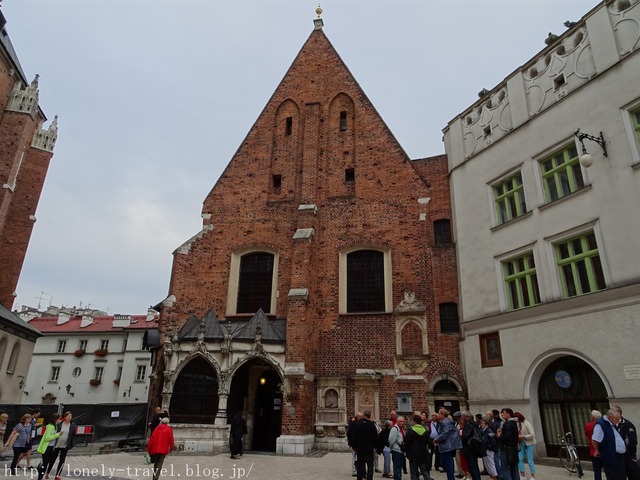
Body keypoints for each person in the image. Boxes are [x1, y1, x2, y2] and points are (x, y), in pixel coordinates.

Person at [592, 409, 626, 480]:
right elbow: (595, 440)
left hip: (619, 457)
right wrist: (599, 450)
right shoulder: (601, 424)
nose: (618, 421)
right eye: (617, 419)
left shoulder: (611, 424)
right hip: (610, 457)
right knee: (614, 476)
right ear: (610, 417)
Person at [45, 411, 76, 480]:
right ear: (64, 417)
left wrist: (72, 444)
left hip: (65, 445)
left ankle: (58, 475)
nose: (69, 417)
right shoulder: (59, 424)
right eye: (68, 416)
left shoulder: (73, 425)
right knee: (52, 459)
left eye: (70, 416)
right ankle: (48, 473)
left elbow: (73, 435)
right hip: (56, 444)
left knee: (62, 460)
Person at [611, 405, 639, 480]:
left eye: (613, 413)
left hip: (628, 455)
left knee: (633, 475)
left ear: (619, 413)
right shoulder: (612, 425)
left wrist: (632, 456)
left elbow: (632, 441)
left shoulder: (627, 424)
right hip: (618, 456)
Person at [435, 408, 462, 480]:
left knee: (448, 466)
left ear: (442, 414)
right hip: (447, 447)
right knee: (447, 466)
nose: (437, 414)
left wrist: (436, 439)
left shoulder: (446, 423)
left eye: (439, 413)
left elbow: (445, 434)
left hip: (447, 447)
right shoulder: (444, 422)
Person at [352, 409, 379, 480]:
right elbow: (375, 437)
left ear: (364, 415)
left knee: (360, 465)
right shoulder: (371, 425)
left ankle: (359, 478)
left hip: (360, 448)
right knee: (370, 466)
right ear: (370, 416)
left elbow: (354, 436)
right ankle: (369, 478)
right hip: (369, 449)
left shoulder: (358, 424)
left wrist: (354, 446)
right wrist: (375, 446)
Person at [404, 412, 431, 480]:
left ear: (414, 421)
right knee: (424, 471)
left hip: (412, 454)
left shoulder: (410, 431)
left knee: (413, 472)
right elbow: (429, 443)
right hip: (422, 453)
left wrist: (405, 450)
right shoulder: (425, 431)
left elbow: (407, 443)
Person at [36, 413, 62, 480]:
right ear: (55, 419)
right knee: (45, 464)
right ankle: (40, 476)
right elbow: (47, 438)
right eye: (58, 419)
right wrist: (57, 435)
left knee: (45, 462)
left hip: (51, 446)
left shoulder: (55, 426)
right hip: (47, 447)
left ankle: (40, 469)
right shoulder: (51, 427)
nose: (59, 420)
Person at [460, 411, 484, 480]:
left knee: (472, 466)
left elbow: (466, 436)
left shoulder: (469, 424)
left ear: (466, 417)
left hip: (470, 448)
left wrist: (461, 436)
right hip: (472, 447)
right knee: (473, 466)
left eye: (463, 416)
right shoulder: (473, 423)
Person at [497, 408, 519, 480]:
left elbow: (506, 437)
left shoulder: (507, 424)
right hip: (513, 448)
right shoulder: (514, 423)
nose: (502, 414)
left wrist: (499, 436)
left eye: (503, 413)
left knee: (504, 468)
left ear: (508, 414)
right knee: (514, 467)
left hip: (506, 448)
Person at [514, 412, 536, 480]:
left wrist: (523, 436)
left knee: (530, 460)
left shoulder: (526, 423)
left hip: (529, 443)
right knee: (519, 458)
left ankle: (533, 475)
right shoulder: (517, 424)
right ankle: (522, 474)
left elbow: (532, 434)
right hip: (521, 443)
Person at [587, 410, 604, 480]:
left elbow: (588, 438)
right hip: (605, 450)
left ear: (593, 417)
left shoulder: (589, 426)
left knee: (597, 471)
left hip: (594, 451)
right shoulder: (603, 424)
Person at [480, 416, 498, 480]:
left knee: (491, 464)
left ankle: (494, 477)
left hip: (489, 450)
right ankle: (491, 476)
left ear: (486, 424)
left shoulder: (489, 431)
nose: (481, 425)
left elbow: (493, 442)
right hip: (485, 449)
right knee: (487, 465)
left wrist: (487, 446)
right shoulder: (483, 431)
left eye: (482, 423)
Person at [389, 415, 406, 480]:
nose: (402, 423)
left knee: (399, 467)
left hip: (401, 450)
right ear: (397, 422)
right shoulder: (394, 429)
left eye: (403, 421)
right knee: (397, 467)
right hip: (396, 450)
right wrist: (392, 447)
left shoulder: (401, 429)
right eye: (401, 421)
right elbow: (391, 440)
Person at [348, 412, 363, 476]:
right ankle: (354, 470)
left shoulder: (358, 423)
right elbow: (350, 433)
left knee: (358, 457)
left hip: (359, 443)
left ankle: (359, 470)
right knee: (354, 457)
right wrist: (351, 443)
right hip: (354, 443)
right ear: (358, 417)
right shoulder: (353, 423)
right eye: (361, 417)